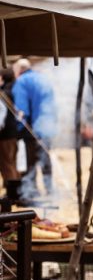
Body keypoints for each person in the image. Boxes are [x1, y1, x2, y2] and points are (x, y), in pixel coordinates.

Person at [12, 58, 56, 201]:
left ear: (19, 70)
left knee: (31, 161)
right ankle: (49, 190)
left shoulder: (22, 81)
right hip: (47, 126)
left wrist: (19, 130)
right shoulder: (42, 79)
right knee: (45, 158)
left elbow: (21, 110)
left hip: (31, 129)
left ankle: (31, 191)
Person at [0, 69, 20, 201]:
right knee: (11, 163)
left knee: (7, 164)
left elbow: (1, 115)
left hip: (5, 134)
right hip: (11, 133)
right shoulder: (12, 90)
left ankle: (13, 194)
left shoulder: (4, 93)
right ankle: (15, 192)